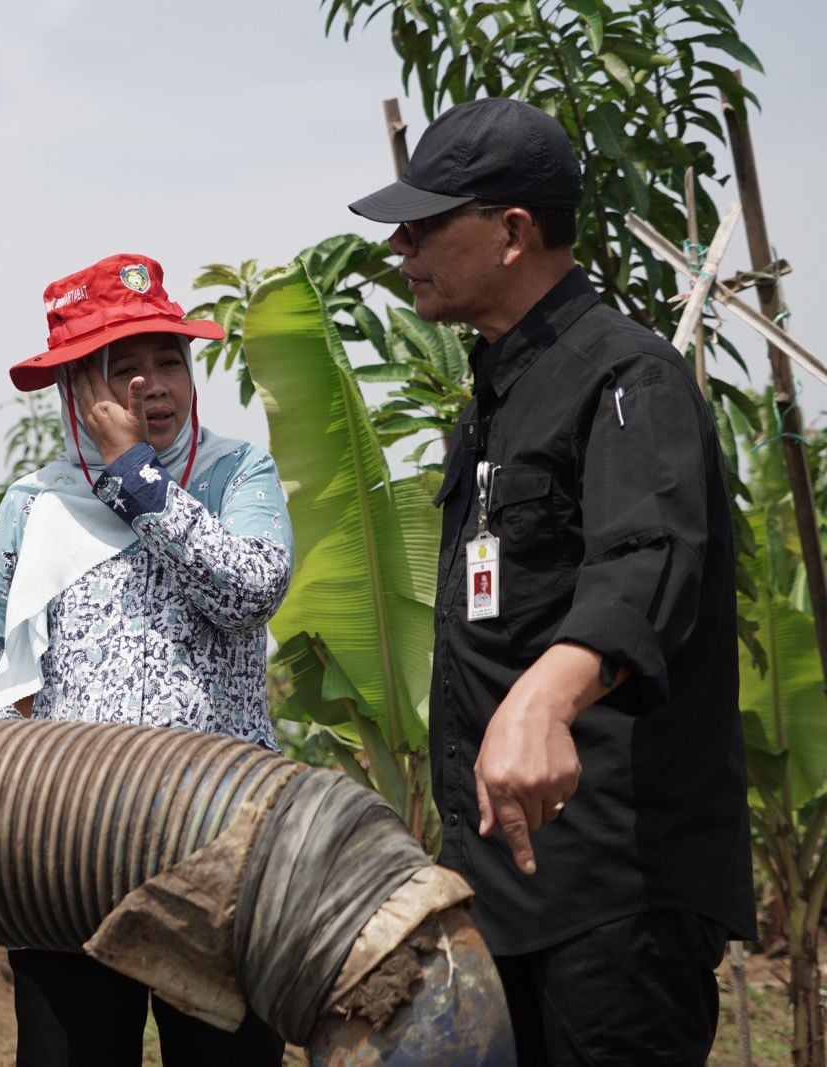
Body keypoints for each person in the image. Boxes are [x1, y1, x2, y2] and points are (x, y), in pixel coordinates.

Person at [349, 97, 753, 1064]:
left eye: (424, 222)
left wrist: (546, 694)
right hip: (503, 903)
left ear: (511, 231)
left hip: (616, 903)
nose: (399, 246)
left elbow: (649, 554)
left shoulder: (628, 377)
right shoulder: (496, 397)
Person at [0, 253, 293, 1066]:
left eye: (170, 360)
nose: (153, 385)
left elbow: (248, 591)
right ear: (76, 392)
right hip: (71, 865)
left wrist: (137, 478)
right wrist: (35, 785)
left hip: (221, 852)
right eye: (121, 369)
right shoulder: (38, 504)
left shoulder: (238, 476)